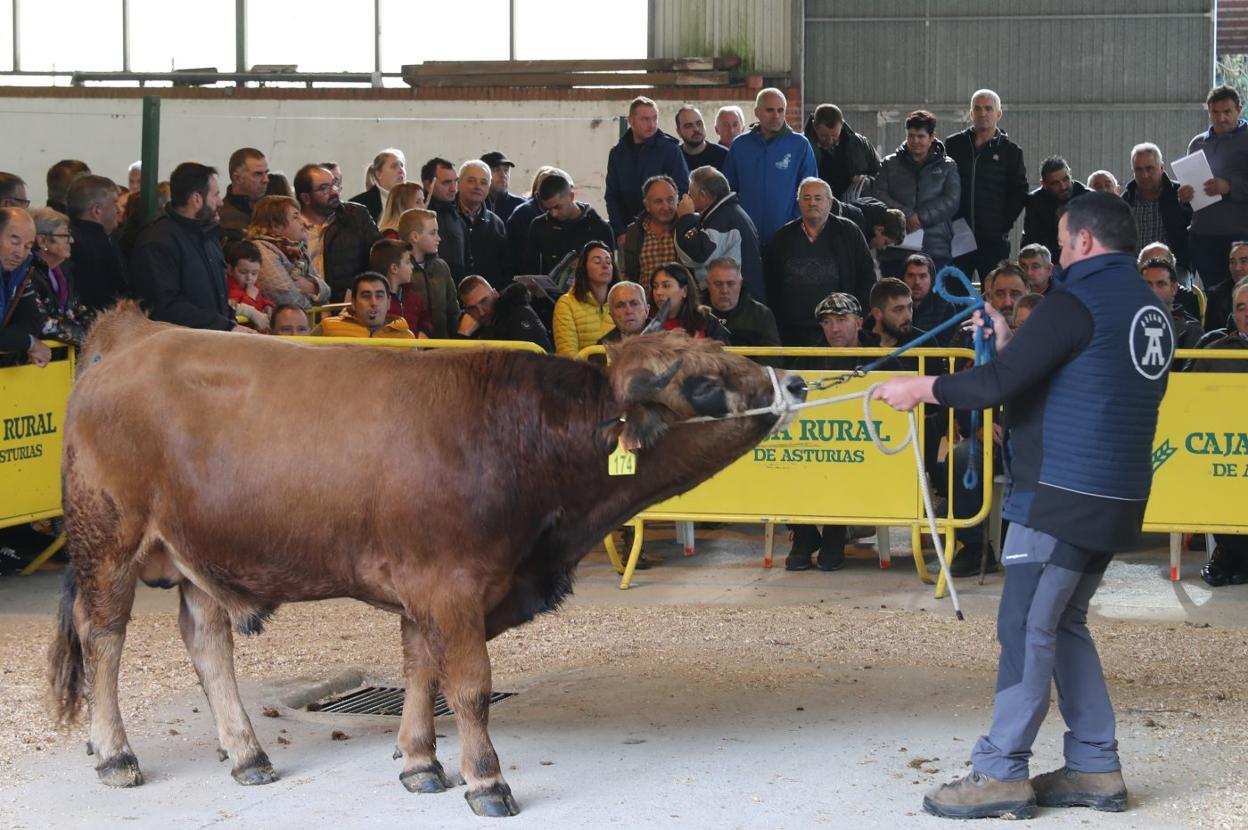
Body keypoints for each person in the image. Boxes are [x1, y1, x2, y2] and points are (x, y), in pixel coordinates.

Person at [873, 192, 1173, 820]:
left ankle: (1000, 769)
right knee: (1063, 625)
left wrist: (918, 388)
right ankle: (1095, 765)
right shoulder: (1150, 308)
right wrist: (1010, 338)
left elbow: (993, 387)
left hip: (1058, 495)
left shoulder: (1074, 302)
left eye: (1063, 242)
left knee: (1026, 627)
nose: (1059, 254)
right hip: (1115, 495)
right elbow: (1067, 378)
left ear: (1086, 242)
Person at [784, 291, 868, 572]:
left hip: (864, 449)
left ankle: (834, 533)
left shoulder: (882, 357)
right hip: (814, 445)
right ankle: (805, 535)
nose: (834, 328)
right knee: (783, 460)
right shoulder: (806, 360)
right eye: (827, 322)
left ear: (859, 322)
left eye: (842, 319)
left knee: (841, 460)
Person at [130, 162, 245, 332]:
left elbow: (216, 298)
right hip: (180, 350)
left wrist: (230, 323)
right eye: (216, 195)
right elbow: (165, 306)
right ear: (196, 199)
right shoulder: (157, 242)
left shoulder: (208, 236)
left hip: (213, 343)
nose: (220, 202)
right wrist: (223, 326)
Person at [766, 177, 876, 347]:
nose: (812, 203)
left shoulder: (849, 232)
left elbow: (867, 276)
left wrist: (857, 317)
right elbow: (770, 283)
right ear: (798, 202)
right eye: (806, 198)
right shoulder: (782, 237)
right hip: (792, 331)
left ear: (830, 202)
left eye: (818, 198)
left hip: (839, 330)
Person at [1180, 85, 1248, 329]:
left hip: (1241, 237)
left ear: (1239, 110)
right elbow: (1189, 191)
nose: (1221, 118)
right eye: (1215, 112)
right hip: (1204, 236)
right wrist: (1184, 195)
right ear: (1208, 112)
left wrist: (1229, 186)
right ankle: (1215, 343)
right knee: (1214, 295)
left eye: (1227, 111)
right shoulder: (1197, 144)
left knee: (1243, 295)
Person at [1196, 278, 1248, 585]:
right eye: (1241, 307)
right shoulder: (1214, 352)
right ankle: (1230, 553)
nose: (1247, 314)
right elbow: (1187, 400)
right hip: (1223, 450)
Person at [945, 89, 1028, 281]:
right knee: (955, 294)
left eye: (989, 109)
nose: (983, 114)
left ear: (998, 114)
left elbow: (1019, 191)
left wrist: (1002, 225)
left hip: (993, 240)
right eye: (978, 109)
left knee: (994, 294)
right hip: (958, 235)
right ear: (971, 113)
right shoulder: (953, 145)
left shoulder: (1011, 151)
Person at [870, 110, 961, 275]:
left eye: (920, 136)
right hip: (895, 250)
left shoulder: (948, 166)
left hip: (935, 250)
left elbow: (952, 200)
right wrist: (907, 216)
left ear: (932, 136)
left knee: (935, 300)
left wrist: (921, 217)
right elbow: (878, 194)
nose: (915, 141)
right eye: (911, 135)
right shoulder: (889, 164)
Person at [723, 87, 818, 245]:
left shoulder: (800, 145)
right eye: (770, 110)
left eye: (781, 110)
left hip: (787, 238)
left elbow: (810, 191)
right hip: (745, 237)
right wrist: (737, 224)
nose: (776, 115)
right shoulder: (740, 145)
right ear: (757, 112)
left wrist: (793, 226)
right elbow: (727, 191)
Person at [605, 96, 690, 242]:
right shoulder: (617, 154)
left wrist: (671, 227)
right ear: (631, 121)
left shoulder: (670, 150)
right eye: (645, 119)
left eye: (654, 119)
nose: (651, 124)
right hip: (629, 233)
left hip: (665, 233)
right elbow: (612, 196)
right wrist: (619, 231)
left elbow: (682, 191)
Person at [672, 165, 764, 299]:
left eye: (691, 194)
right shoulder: (728, 213)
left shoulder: (723, 219)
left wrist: (685, 218)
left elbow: (697, 256)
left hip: (739, 304)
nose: (688, 198)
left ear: (703, 195)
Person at [295, 163, 380, 302]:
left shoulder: (356, 216)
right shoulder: (292, 225)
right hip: (304, 308)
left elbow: (378, 256)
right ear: (306, 198)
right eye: (324, 188)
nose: (334, 192)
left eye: (334, 184)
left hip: (345, 307)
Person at [245, 195, 330, 309]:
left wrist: (310, 286)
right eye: (296, 217)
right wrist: (313, 301)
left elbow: (326, 290)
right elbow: (284, 295)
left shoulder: (298, 250)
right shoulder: (261, 249)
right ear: (276, 225)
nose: (303, 222)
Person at [521, 173, 614, 277]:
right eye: (547, 209)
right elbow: (529, 269)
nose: (553, 214)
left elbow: (610, 273)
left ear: (571, 196)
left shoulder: (599, 229)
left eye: (557, 207)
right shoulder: (539, 226)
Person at [1122, 142, 1191, 274]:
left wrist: (1186, 205)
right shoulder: (1126, 200)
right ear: (1133, 171)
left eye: (1149, 168)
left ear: (1161, 167)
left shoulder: (1181, 194)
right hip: (1134, 269)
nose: (1145, 175)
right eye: (1139, 169)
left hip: (1175, 268)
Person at [65, 174, 128, 314]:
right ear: (96, 210)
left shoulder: (72, 237)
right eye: (114, 203)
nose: (119, 210)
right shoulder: (95, 245)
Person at [29, 207, 89, 346]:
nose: (72, 240)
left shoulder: (64, 271)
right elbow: (42, 323)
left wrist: (101, 329)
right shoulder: (28, 273)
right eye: (65, 235)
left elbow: (78, 309)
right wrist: (88, 337)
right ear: (42, 241)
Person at [0, 208, 51, 367]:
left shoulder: (21, 272)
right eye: (14, 242)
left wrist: (13, 339)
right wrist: (30, 343)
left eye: (28, 246)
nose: (20, 253)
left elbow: (32, 322)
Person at [398, 208, 459, 339]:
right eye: (433, 233)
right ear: (415, 237)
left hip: (442, 347)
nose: (439, 238)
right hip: (412, 347)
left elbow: (452, 311)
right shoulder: (399, 270)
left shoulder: (441, 268)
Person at [552, 241, 618, 356]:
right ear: (584, 267)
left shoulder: (622, 301)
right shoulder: (566, 303)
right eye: (597, 261)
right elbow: (568, 355)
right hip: (583, 371)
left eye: (609, 262)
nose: (605, 265)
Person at [804, 103, 881, 200]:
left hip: (855, 207)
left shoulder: (859, 144)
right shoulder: (802, 148)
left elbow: (880, 174)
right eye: (824, 136)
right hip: (817, 205)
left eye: (834, 135)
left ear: (842, 125)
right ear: (814, 126)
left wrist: (868, 181)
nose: (830, 140)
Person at [455, 274, 551, 350]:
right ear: (466, 310)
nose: (481, 313)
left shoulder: (517, 314)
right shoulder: (467, 326)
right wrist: (463, 335)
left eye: (484, 301)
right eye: (473, 308)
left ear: (495, 294)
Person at [1022, 156, 1090, 263]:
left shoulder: (1088, 197)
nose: (1063, 187)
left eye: (1066, 179)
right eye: (1055, 183)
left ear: (1070, 174)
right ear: (1043, 184)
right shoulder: (1035, 201)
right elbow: (1033, 239)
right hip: (1049, 261)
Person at [456, 160, 510, 290]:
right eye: (471, 181)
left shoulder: (496, 224)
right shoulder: (445, 218)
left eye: (483, 182)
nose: (477, 187)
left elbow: (505, 267)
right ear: (458, 183)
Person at [705, 257, 780, 349]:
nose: (724, 290)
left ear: (740, 284)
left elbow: (772, 357)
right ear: (708, 284)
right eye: (718, 284)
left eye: (731, 284)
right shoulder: (694, 313)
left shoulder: (761, 314)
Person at [1139, 257, 1203, 363]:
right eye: (1148, 284)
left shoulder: (1191, 330)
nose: (1153, 290)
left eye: (1160, 284)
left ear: (1174, 288)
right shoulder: (1126, 325)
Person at [648, 261, 730, 343]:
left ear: (684, 291)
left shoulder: (706, 321)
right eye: (655, 287)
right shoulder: (648, 323)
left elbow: (724, 353)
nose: (658, 292)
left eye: (666, 286)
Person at [315, 272, 414, 339]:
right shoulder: (327, 328)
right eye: (366, 296)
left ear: (388, 303)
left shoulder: (406, 337)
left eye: (379, 296)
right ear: (353, 302)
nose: (373, 303)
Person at [621, 175, 678, 288]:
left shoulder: (687, 227)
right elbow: (630, 275)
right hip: (646, 303)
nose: (666, 207)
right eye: (658, 201)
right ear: (647, 205)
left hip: (683, 303)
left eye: (670, 200)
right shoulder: (634, 232)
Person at [369, 238, 431, 338]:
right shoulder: (376, 303)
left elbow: (425, 320)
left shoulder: (413, 298)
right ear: (394, 268)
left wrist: (424, 332)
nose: (412, 266)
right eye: (407, 262)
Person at [421, 156, 472, 279]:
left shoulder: (459, 219)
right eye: (447, 182)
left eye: (456, 182)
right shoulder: (419, 218)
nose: (454, 189)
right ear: (428, 185)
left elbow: (467, 262)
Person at [218, 147, 270, 243]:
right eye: (258, 174)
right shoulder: (221, 218)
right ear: (237, 178)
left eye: (266, 173)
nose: (266, 180)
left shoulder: (272, 210)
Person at [903, 253, 958, 341]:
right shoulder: (893, 305)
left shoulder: (946, 307)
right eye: (911, 276)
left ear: (931, 279)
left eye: (923, 276)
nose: (917, 282)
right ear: (903, 278)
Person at [224, 240, 274, 332]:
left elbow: (260, 300)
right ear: (230, 269)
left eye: (254, 273)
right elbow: (236, 311)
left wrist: (267, 305)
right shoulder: (228, 289)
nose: (249, 278)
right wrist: (250, 297)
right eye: (243, 272)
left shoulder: (253, 286)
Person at [351, 148, 406, 223]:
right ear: (378, 174)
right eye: (394, 166)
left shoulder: (413, 200)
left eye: (402, 165)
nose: (401, 170)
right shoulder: (358, 205)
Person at [675, 105, 728, 173]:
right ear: (679, 132)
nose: (696, 129)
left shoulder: (724, 156)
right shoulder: (674, 158)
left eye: (699, 123)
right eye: (689, 126)